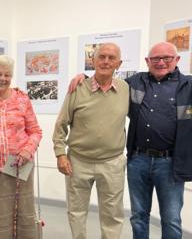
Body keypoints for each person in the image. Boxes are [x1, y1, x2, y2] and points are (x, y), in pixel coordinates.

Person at [69, 41, 192, 238]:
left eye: (166, 58)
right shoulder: (134, 82)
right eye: (155, 58)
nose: (161, 62)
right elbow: (105, 80)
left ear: (177, 60)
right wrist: (82, 77)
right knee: (138, 216)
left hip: (170, 163)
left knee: (171, 218)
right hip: (138, 161)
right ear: (147, 61)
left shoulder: (189, 86)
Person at [53, 43, 128, 239]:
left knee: (112, 214)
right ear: (93, 61)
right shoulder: (77, 88)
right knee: (76, 212)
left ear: (119, 64)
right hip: (78, 162)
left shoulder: (126, 89)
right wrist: (61, 154)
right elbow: (61, 124)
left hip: (112, 163)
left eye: (111, 58)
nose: (106, 61)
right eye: (101, 56)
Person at [0, 55, 42, 239]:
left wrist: (27, 150)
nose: (2, 78)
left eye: (7, 75)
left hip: (20, 165)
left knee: (22, 213)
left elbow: (35, 131)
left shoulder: (21, 99)